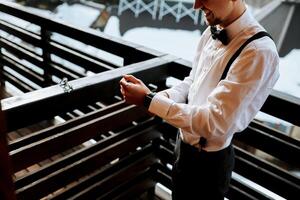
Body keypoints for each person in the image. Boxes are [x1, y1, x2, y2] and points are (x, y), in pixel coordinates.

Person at [120, 0, 279, 199]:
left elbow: (215, 121)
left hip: (208, 165)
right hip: (182, 147)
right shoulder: (210, 31)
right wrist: (162, 97)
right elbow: (192, 82)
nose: (196, 6)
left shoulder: (258, 51)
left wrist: (150, 102)